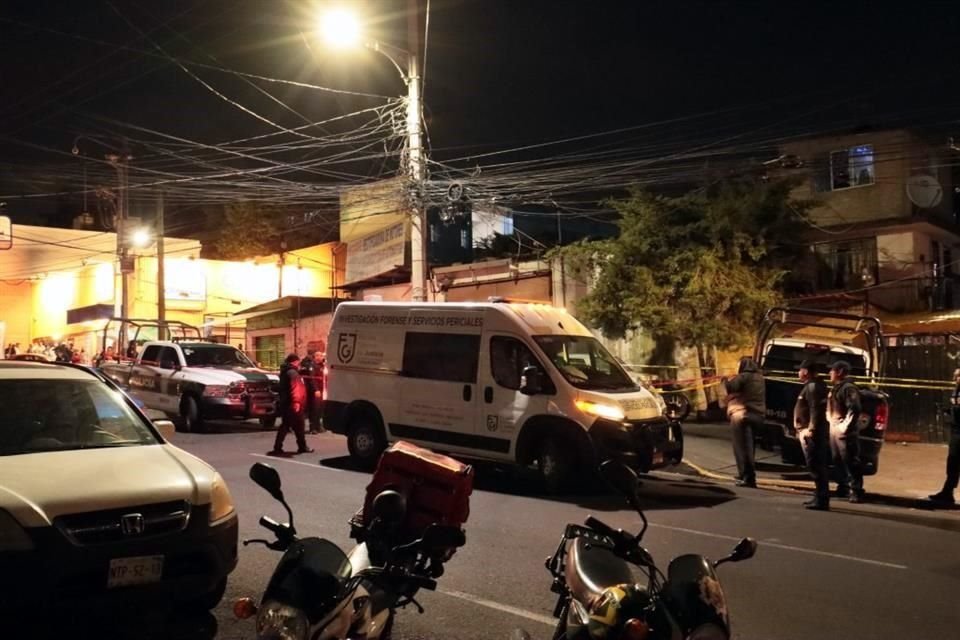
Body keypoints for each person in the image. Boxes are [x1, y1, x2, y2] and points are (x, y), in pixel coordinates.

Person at [723, 356, 766, 488]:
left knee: (741, 448)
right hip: (757, 415)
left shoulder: (744, 377)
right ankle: (744, 474)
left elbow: (731, 387)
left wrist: (724, 380)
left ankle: (748, 478)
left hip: (743, 415)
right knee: (749, 447)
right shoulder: (760, 378)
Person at [795, 360, 830, 510]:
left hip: (813, 433)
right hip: (812, 431)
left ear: (806, 371)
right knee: (815, 465)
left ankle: (821, 499)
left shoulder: (813, 387)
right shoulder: (815, 385)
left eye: (800, 370)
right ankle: (818, 496)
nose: (798, 373)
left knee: (815, 465)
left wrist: (811, 429)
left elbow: (815, 409)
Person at [828, 360, 864, 503]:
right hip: (835, 428)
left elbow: (854, 408)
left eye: (832, 370)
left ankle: (856, 490)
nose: (830, 373)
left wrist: (845, 427)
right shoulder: (837, 387)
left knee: (850, 460)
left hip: (844, 431)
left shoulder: (848, 388)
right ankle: (842, 487)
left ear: (840, 372)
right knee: (838, 459)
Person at [270, 353, 313, 456]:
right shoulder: (292, 373)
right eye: (298, 361)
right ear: (294, 361)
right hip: (292, 404)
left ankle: (298, 446)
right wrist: (297, 402)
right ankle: (282, 447)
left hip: (287, 403)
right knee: (292, 426)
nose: (299, 364)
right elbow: (296, 389)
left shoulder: (286, 372)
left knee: (293, 426)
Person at [929, 368, 960, 506]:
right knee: (952, 463)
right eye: (955, 376)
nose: (955, 379)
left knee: (954, 461)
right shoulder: (956, 390)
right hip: (956, 431)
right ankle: (947, 492)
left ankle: (947, 492)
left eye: (958, 376)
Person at [299, 350, 325, 434]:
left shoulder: (322, 366)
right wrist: (316, 389)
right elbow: (312, 379)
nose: (320, 357)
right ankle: (312, 428)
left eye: (321, 356)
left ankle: (318, 426)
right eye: (318, 355)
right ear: (315, 357)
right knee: (314, 409)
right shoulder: (312, 366)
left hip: (321, 390)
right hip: (314, 391)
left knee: (319, 409)